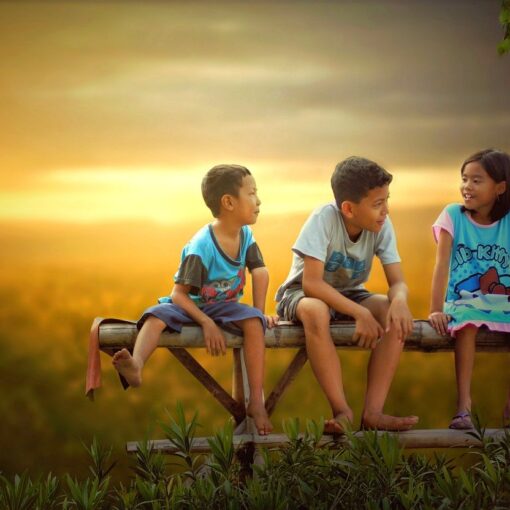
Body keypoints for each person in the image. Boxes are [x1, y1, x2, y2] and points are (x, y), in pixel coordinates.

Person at [113, 164, 275, 435]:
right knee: (155, 317)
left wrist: (258, 314)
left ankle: (256, 402)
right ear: (229, 202)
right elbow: (178, 294)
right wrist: (206, 323)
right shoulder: (202, 246)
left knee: (254, 324)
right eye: (252, 193)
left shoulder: (245, 235)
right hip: (192, 306)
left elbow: (260, 272)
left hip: (226, 306)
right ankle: (137, 366)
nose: (258, 201)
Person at [276, 156, 419, 433]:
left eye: (387, 200)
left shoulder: (381, 226)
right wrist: (360, 312)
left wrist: (399, 300)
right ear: (348, 209)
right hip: (301, 294)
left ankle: (373, 412)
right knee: (317, 310)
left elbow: (398, 282)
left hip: (349, 293)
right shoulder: (323, 220)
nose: (385, 211)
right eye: (378, 204)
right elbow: (312, 285)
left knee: (392, 311)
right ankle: (342, 410)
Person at [429, 149, 510, 430]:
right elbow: (441, 266)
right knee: (466, 323)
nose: (467, 186)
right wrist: (435, 309)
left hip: (503, 300)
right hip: (464, 300)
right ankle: (464, 407)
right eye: (465, 179)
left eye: (477, 180)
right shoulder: (453, 215)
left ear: (500, 187)